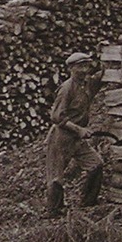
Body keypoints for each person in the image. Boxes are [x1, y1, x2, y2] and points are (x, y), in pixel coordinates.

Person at [45, 51, 105, 218]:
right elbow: (56, 117)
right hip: (61, 137)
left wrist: (106, 55)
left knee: (96, 165)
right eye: (80, 66)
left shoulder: (87, 84)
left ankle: (88, 202)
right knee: (56, 177)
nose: (85, 69)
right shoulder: (66, 88)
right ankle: (54, 211)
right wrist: (79, 129)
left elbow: (103, 74)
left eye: (87, 65)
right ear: (71, 68)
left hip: (77, 139)